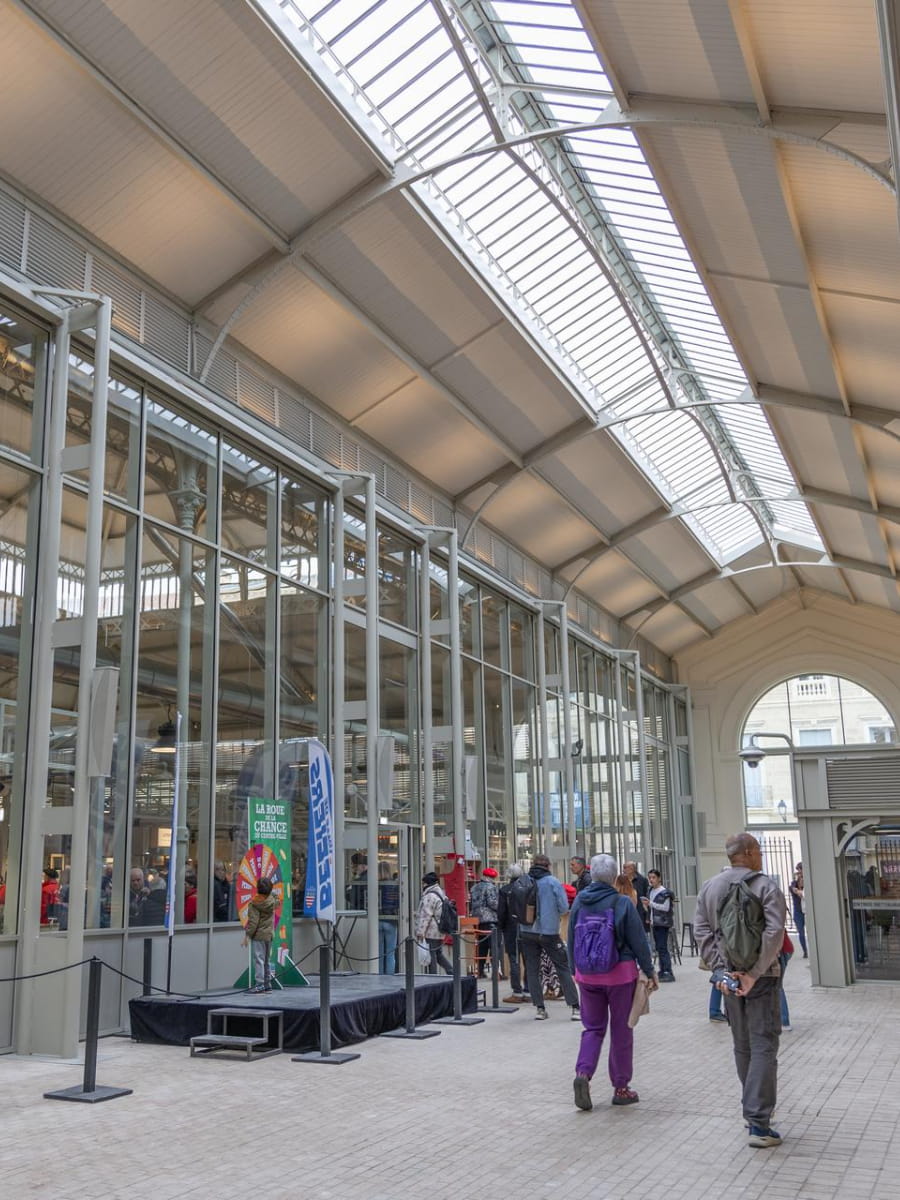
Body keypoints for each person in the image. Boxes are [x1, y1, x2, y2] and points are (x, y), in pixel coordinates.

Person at [693, 832, 787, 1149]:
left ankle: (752, 1114)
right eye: (758, 850)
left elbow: (701, 930)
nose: (760, 855)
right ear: (748, 852)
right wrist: (754, 972)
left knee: (742, 1044)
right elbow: (775, 933)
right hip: (763, 978)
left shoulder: (710, 887)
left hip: (728, 981)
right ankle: (760, 1123)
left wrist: (722, 970)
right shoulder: (765, 886)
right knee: (763, 1045)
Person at [568, 853, 659, 1109]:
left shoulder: (579, 903)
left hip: (587, 975)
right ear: (613, 876)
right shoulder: (621, 903)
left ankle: (583, 1073)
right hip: (620, 975)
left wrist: (576, 971)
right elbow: (638, 940)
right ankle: (621, 1087)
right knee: (621, 1030)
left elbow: (572, 940)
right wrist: (650, 969)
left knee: (593, 1028)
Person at [518, 853, 580, 1021]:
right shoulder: (552, 882)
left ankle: (540, 1008)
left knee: (532, 969)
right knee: (562, 967)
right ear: (548, 866)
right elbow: (563, 907)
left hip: (526, 930)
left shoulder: (523, 881)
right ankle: (575, 1007)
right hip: (549, 931)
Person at [498, 864, 528, 1001]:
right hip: (527, 928)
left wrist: (501, 927)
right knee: (529, 960)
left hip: (511, 929)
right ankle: (529, 990)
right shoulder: (528, 888)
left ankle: (517, 991)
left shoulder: (505, 891)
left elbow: (502, 913)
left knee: (514, 960)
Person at [242, 876, 277, 992]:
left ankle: (259, 984)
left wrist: (247, 935)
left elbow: (253, 922)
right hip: (269, 935)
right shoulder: (272, 901)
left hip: (259, 936)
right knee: (267, 960)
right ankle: (267, 983)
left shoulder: (254, 904)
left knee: (259, 959)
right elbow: (277, 899)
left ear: (257, 888)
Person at [415, 871, 452, 975]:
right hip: (439, 928)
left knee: (432, 955)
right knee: (438, 953)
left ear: (426, 883)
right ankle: (451, 971)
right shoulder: (440, 893)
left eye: (423, 883)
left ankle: (433, 976)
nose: (422, 885)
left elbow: (425, 915)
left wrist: (420, 932)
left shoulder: (429, 896)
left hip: (431, 930)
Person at [645, 868, 675, 981]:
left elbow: (665, 908)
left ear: (659, 878)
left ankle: (667, 971)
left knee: (662, 948)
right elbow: (651, 908)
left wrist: (651, 904)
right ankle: (663, 970)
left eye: (653, 877)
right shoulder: (650, 891)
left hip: (663, 923)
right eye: (650, 877)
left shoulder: (664, 892)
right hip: (655, 922)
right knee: (659, 947)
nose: (651, 880)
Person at [469, 867, 500, 977]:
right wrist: (502, 908)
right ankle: (495, 973)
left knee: (482, 946)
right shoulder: (491, 887)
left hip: (477, 919)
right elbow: (492, 903)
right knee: (493, 946)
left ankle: (480, 971)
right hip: (490, 919)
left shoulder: (474, 887)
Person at [377, 860, 399, 974]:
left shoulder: (374, 885)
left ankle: (379, 976)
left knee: (379, 955)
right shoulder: (394, 885)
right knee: (390, 954)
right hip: (391, 920)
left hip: (377, 920)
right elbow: (398, 902)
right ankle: (389, 977)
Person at [789, 863, 807, 957]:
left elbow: (802, 894)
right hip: (798, 911)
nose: (799, 873)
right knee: (801, 932)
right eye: (798, 870)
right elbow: (793, 890)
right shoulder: (793, 884)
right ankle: (805, 951)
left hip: (807, 910)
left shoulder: (808, 882)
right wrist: (796, 882)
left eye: (800, 870)